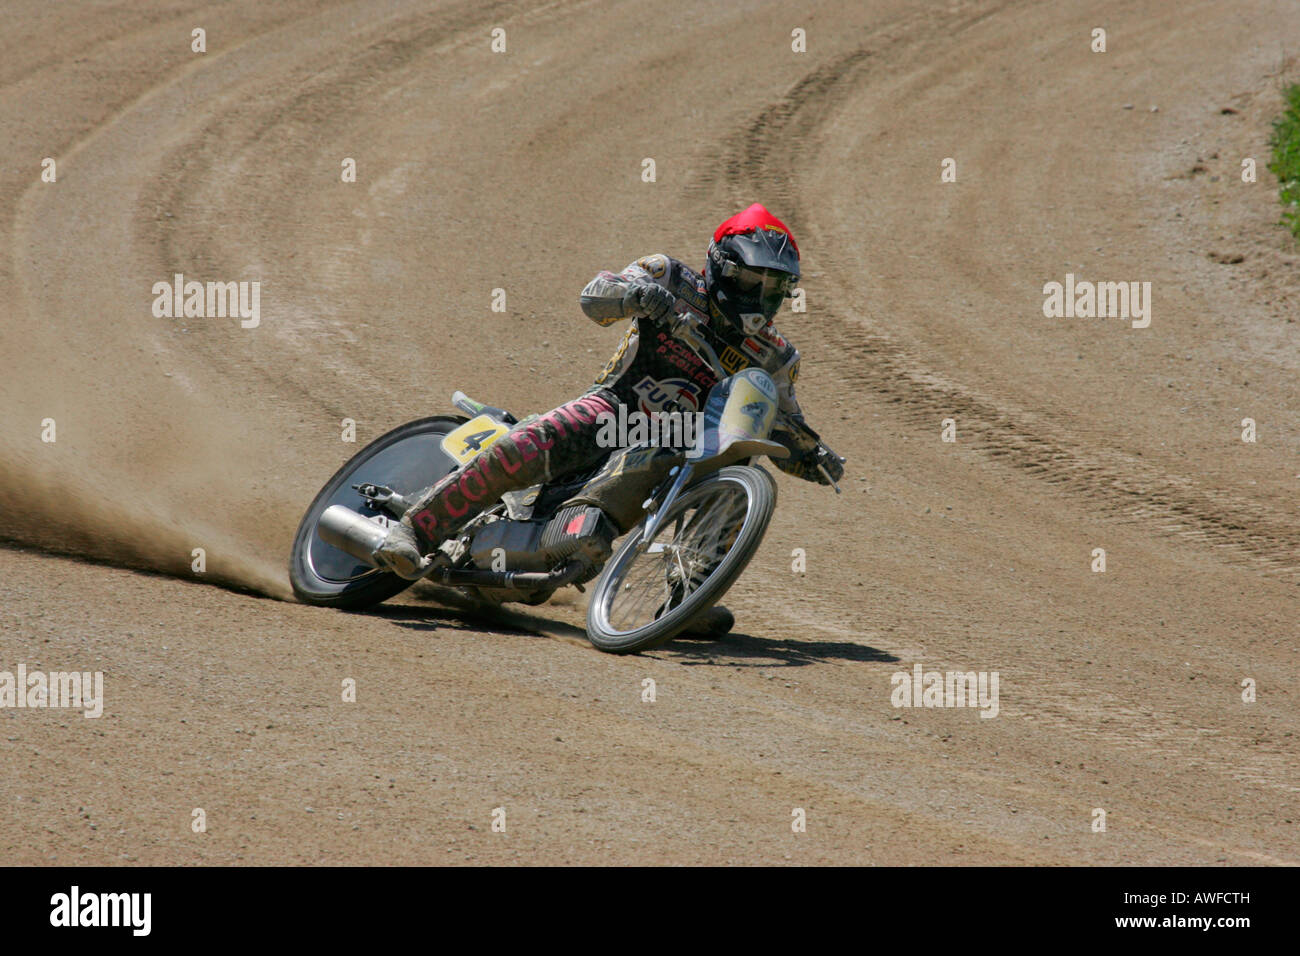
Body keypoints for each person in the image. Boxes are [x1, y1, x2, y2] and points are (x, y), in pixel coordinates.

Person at [372, 203, 844, 581]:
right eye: (751, 280)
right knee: (530, 444)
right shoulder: (670, 277)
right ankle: (415, 528)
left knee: (740, 474)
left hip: (683, 444)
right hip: (614, 410)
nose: (761, 295)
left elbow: (780, 424)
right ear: (721, 268)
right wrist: (637, 296)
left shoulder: (777, 356)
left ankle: (690, 588)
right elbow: (595, 294)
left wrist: (812, 452)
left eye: (775, 286)